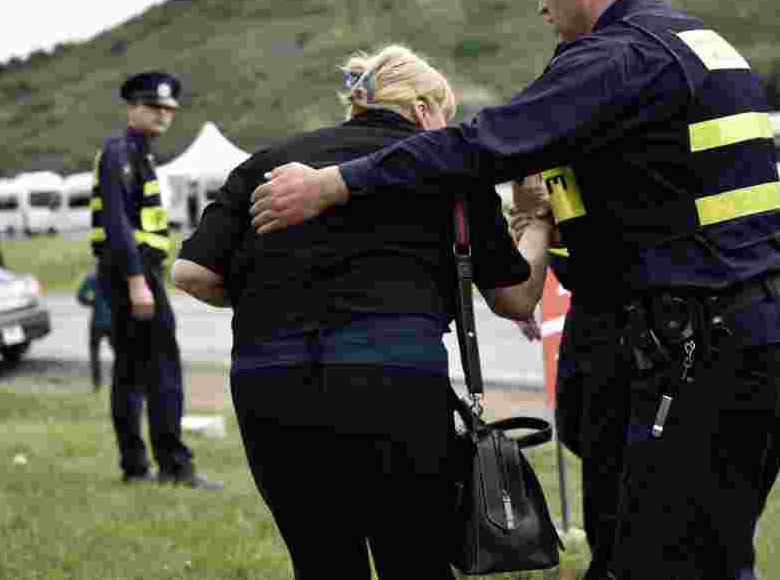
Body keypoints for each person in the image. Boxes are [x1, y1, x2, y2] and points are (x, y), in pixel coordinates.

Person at [246, 0, 780, 579]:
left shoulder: (618, 56)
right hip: (747, 325)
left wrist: (335, 184)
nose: (542, 6)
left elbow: (481, 144)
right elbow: (661, 199)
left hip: (698, 343)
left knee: (667, 560)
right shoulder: (696, 44)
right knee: (684, 548)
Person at [171, 45, 553, 579]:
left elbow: (191, 273)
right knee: (413, 558)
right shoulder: (450, 168)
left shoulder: (265, 164)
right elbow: (515, 297)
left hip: (270, 383)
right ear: (423, 109)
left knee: (322, 561)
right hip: (391, 379)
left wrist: (274, 295)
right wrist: (537, 224)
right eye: (444, 116)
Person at [90, 70, 221, 489]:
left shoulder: (139, 154)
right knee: (162, 368)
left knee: (130, 371)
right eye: (153, 106)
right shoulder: (120, 154)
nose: (163, 114)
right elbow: (117, 224)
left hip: (131, 274)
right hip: (131, 274)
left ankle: (135, 467)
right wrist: (136, 281)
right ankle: (174, 465)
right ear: (132, 108)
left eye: (168, 108)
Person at [76, 268, 113, 391]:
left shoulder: (92, 276)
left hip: (97, 321)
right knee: (119, 353)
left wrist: (92, 303)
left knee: (94, 352)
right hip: (114, 321)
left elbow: (80, 296)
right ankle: (118, 379)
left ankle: (96, 383)